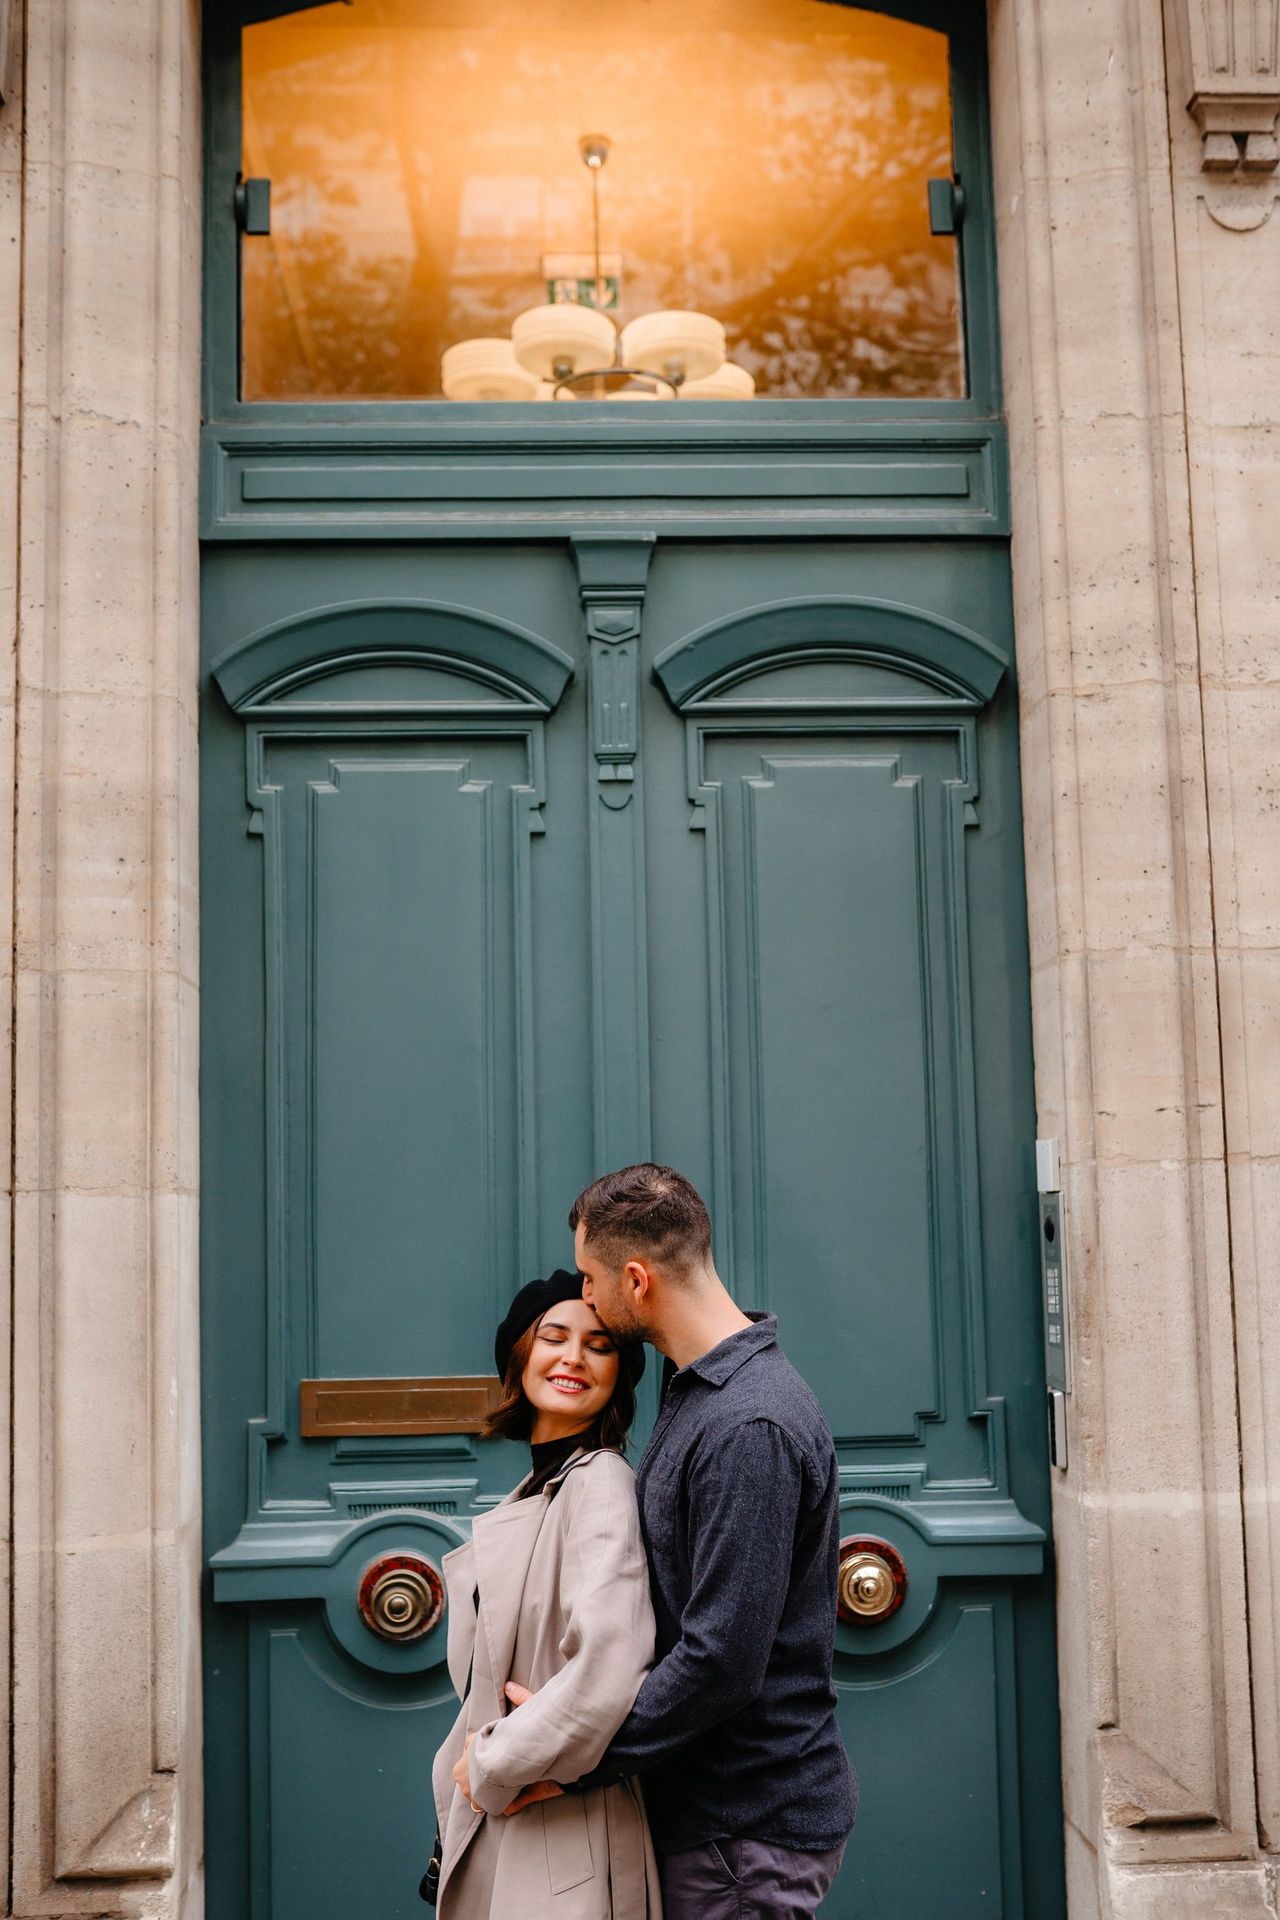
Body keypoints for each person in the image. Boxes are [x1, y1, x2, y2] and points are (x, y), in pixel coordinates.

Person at [503, 1166, 857, 1920]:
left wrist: (568, 1756)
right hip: (712, 1821)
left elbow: (719, 1661)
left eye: (593, 1282)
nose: (585, 1296)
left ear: (636, 1280)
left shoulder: (746, 1426)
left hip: (741, 1833)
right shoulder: (701, 1390)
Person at [429, 1270, 662, 1918]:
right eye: (553, 1336)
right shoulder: (539, 1492)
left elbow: (607, 1670)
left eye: (599, 1345)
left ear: (622, 1373)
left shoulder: (602, 1483)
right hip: (522, 1823)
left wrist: (491, 1764)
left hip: (567, 1839)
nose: (573, 1358)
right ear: (519, 1354)